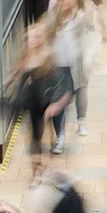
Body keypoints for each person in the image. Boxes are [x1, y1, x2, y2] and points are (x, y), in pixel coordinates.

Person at [46, 0, 100, 138]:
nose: (65, 3)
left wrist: (89, 60)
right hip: (59, 64)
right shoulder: (52, 18)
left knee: (80, 91)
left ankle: (81, 120)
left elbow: (91, 36)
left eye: (67, 0)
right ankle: (60, 134)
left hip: (77, 62)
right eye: (62, 0)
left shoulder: (80, 17)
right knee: (59, 96)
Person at [13, 28, 74, 164]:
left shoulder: (49, 56)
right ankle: (38, 168)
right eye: (29, 38)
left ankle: (46, 159)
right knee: (35, 135)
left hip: (49, 99)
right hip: (34, 100)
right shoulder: (25, 56)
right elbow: (23, 80)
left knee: (48, 133)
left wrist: (56, 104)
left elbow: (62, 82)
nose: (31, 41)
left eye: (35, 37)